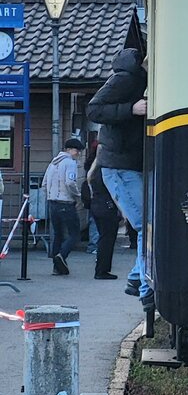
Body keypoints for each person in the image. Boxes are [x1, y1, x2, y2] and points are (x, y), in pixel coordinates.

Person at [86, 48, 151, 308]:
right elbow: (93, 109)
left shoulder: (137, 79)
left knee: (147, 226)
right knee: (147, 227)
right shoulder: (126, 79)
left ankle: (137, 279)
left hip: (124, 164)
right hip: (120, 165)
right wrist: (130, 109)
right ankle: (144, 288)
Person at [41, 137, 84, 275]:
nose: (78, 154)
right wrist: (77, 196)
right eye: (77, 151)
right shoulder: (70, 163)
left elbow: (44, 184)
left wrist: (50, 196)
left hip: (52, 203)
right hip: (66, 203)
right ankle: (62, 255)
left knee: (58, 234)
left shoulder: (53, 163)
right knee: (74, 234)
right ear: (70, 150)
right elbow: (70, 182)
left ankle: (56, 267)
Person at [87, 146, 119, 280]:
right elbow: (114, 189)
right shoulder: (107, 170)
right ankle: (102, 270)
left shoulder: (93, 171)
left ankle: (100, 269)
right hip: (107, 206)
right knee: (108, 239)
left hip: (96, 204)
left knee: (103, 238)